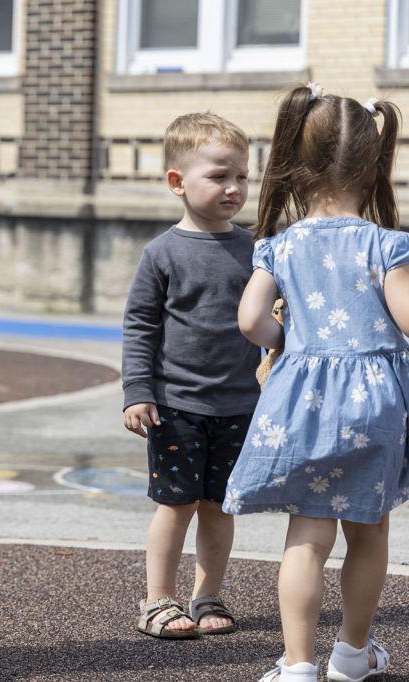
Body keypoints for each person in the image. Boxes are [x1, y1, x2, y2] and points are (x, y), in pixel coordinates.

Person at [225, 83, 405, 682]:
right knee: (368, 530)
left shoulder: (278, 247)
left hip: (301, 401)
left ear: (293, 163)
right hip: (375, 401)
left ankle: (297, 664)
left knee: (307, 533)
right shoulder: (387, 245)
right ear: (375, 164)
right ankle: (352, 656)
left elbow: (251, 322)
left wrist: (288, 345)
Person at [122, 112, 260, 640]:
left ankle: (207, 595)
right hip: (175, 406)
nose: (234, 188)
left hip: (240, 405)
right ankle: (158, 600)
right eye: (219, 176)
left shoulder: (254, 249)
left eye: (241, 176)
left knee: (219, 508)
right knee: (175, 505)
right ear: (177, 183)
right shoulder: (162, 253)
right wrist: (138, 391)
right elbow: (139, 326)